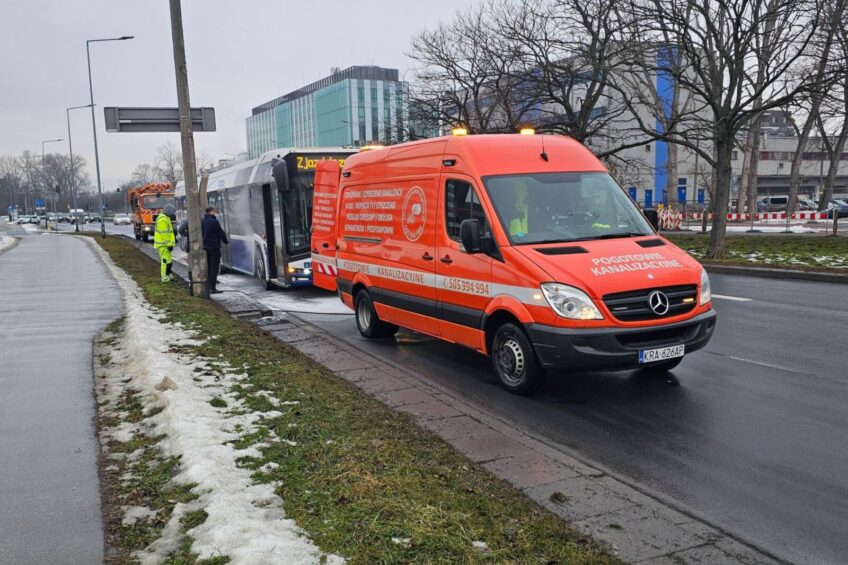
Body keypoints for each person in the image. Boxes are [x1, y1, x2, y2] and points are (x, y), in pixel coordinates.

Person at [201, 207, 228, 294]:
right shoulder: (214, 222)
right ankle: (212, 288)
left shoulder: (203, 221)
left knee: (209, 267)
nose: (215, 213)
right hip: (214, 248)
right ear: (211, 212)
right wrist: (225, 241)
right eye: (214, 211)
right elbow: (220, 233)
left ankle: (209, 286)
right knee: (214, 268)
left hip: (206, 247)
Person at [154, 204, 177, 283]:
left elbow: (168, 233)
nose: (173, 214)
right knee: (165, 261)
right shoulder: (163, 219)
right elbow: (164, 235)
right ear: (169, 211)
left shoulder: (165, 218)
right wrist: (169, 244)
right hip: (163, 245)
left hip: (165, 245)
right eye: (172, 212)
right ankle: (164, 278)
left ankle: (168, 274)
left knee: (169, 261)